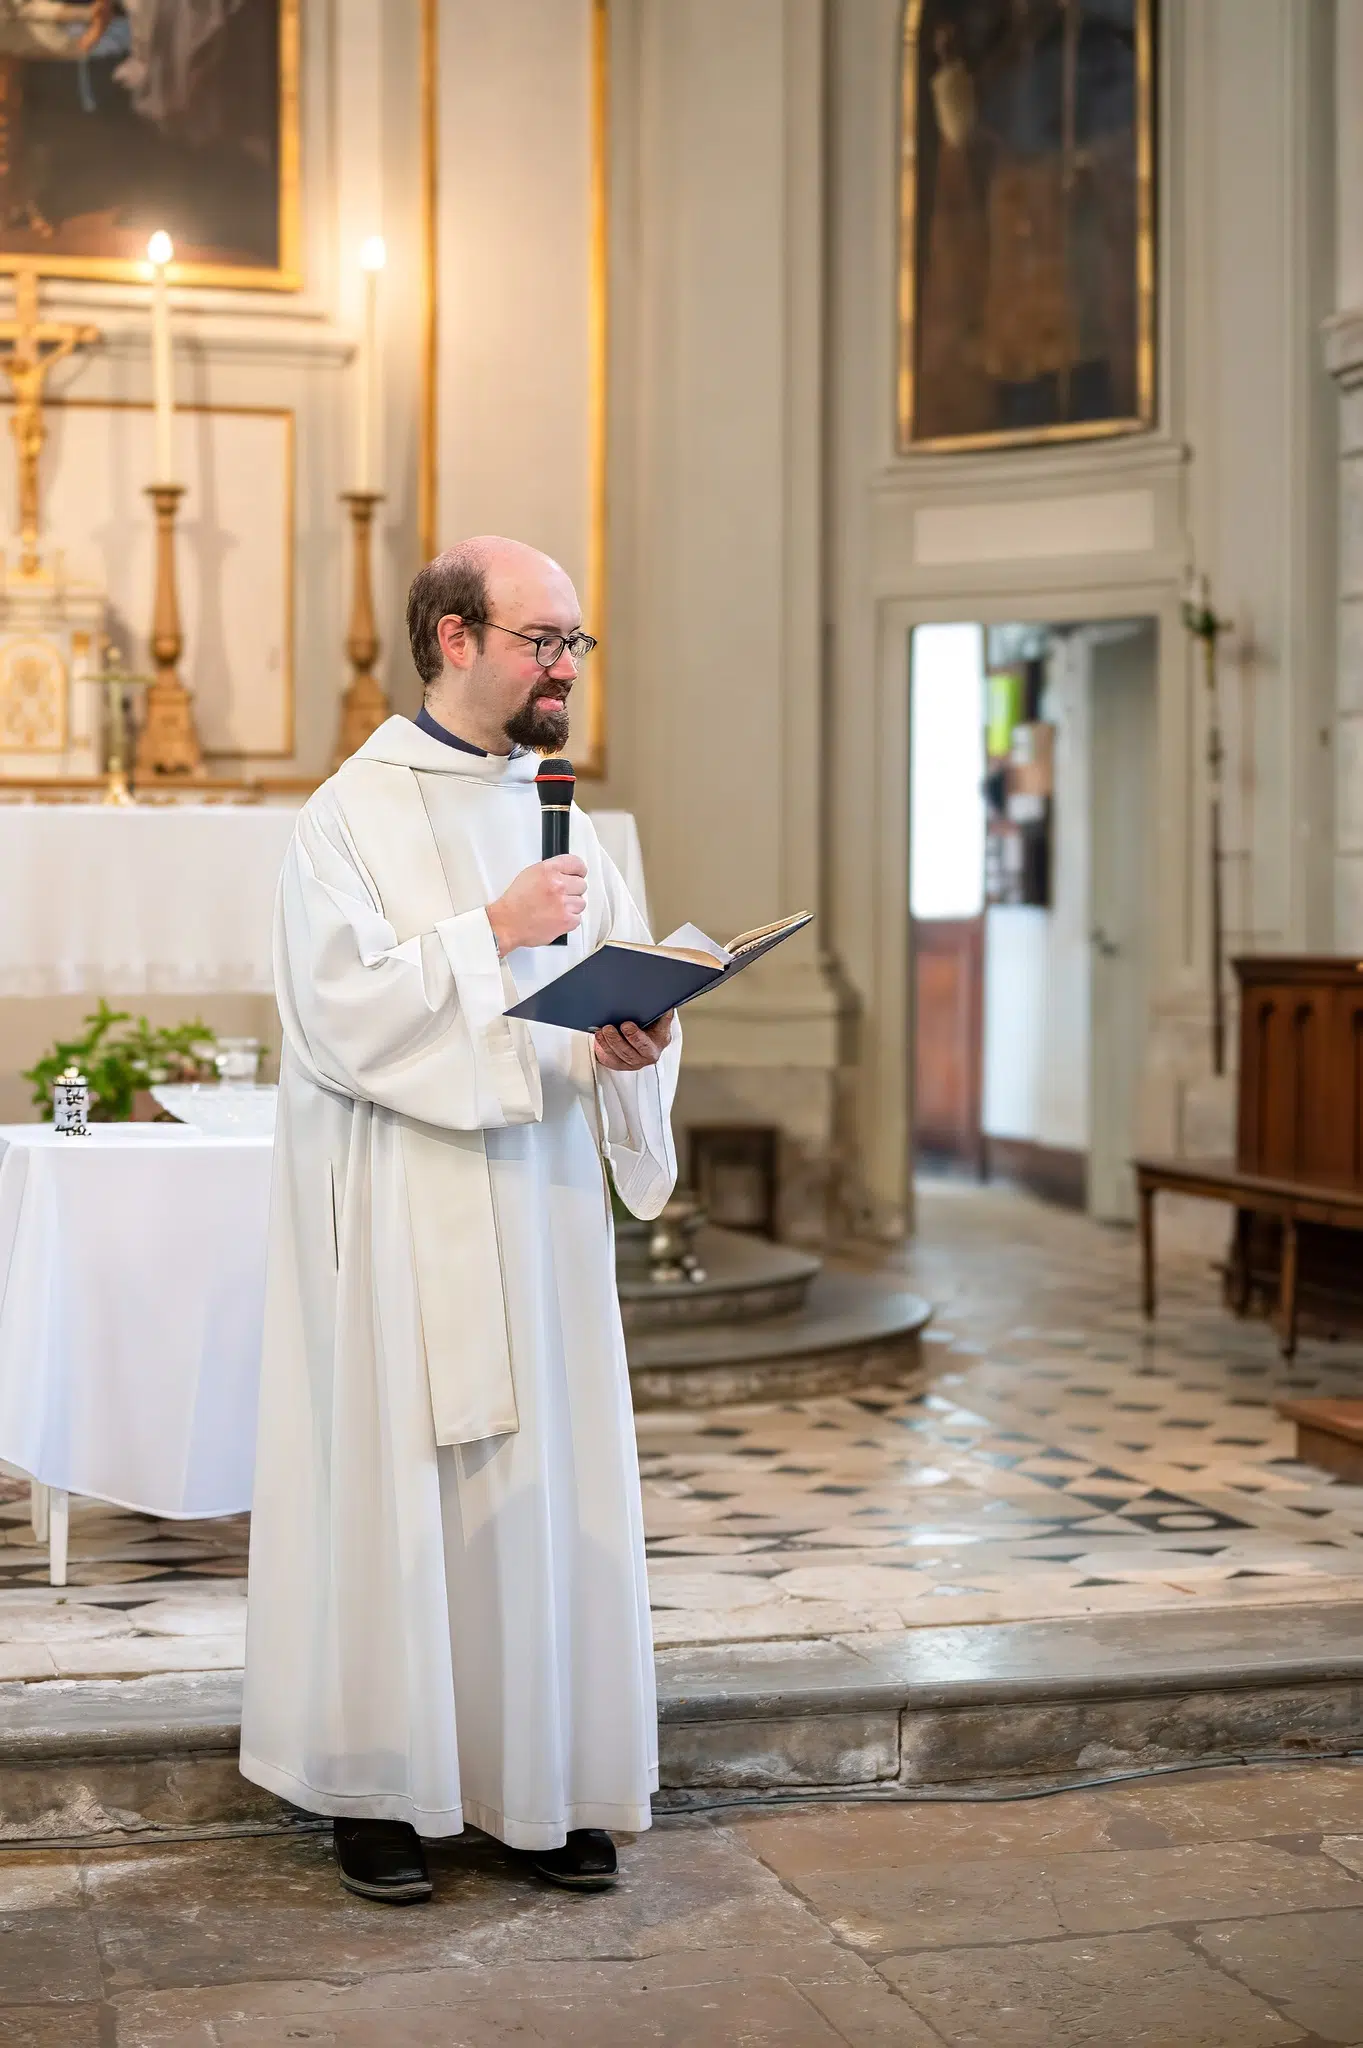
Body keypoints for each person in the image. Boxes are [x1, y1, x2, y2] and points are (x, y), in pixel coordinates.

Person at [240, 535, 680, 1903]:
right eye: (541, 640)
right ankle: (378, 1789)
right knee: (396, 1498)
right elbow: (336, 1017)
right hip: (399, 1207)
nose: (563, 669)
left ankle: (538, 1787)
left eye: (572, 644)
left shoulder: (576, 822)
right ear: (452, 641)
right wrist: (484, 927)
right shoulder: (346, 816)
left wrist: (635, 1042)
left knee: (542, 1493)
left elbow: (609, 995)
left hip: (540, 1209)